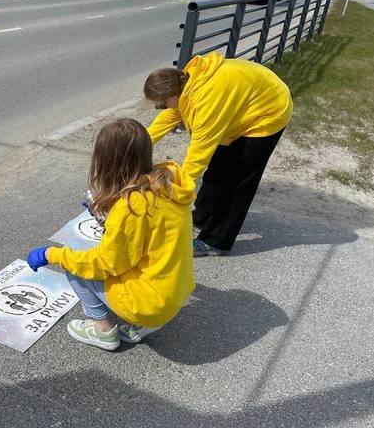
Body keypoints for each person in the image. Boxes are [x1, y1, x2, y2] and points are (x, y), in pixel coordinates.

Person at [26, 118, 195, 351]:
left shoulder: (132, 206)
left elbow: (105, 264)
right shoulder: (167, 183)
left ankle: (103, 331)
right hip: (177, 290)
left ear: (107, 162)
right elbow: (150, 235)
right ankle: (143, 325)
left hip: (151, 304)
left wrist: (52, 254)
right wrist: (108, 220)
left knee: (76, 262)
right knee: (92, 259)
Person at [144, 52, 293, 256]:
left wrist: (176, 196)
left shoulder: (208, 102)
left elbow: (197, 157)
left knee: (237, 181)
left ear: (173, 95)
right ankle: (203, 217)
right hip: (242, 104)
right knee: (217, 169)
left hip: (267, 111)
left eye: (161, 102)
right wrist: (139, 142)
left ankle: (215, 241)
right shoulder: (187, 84)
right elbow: (170, 115)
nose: (160, 107)